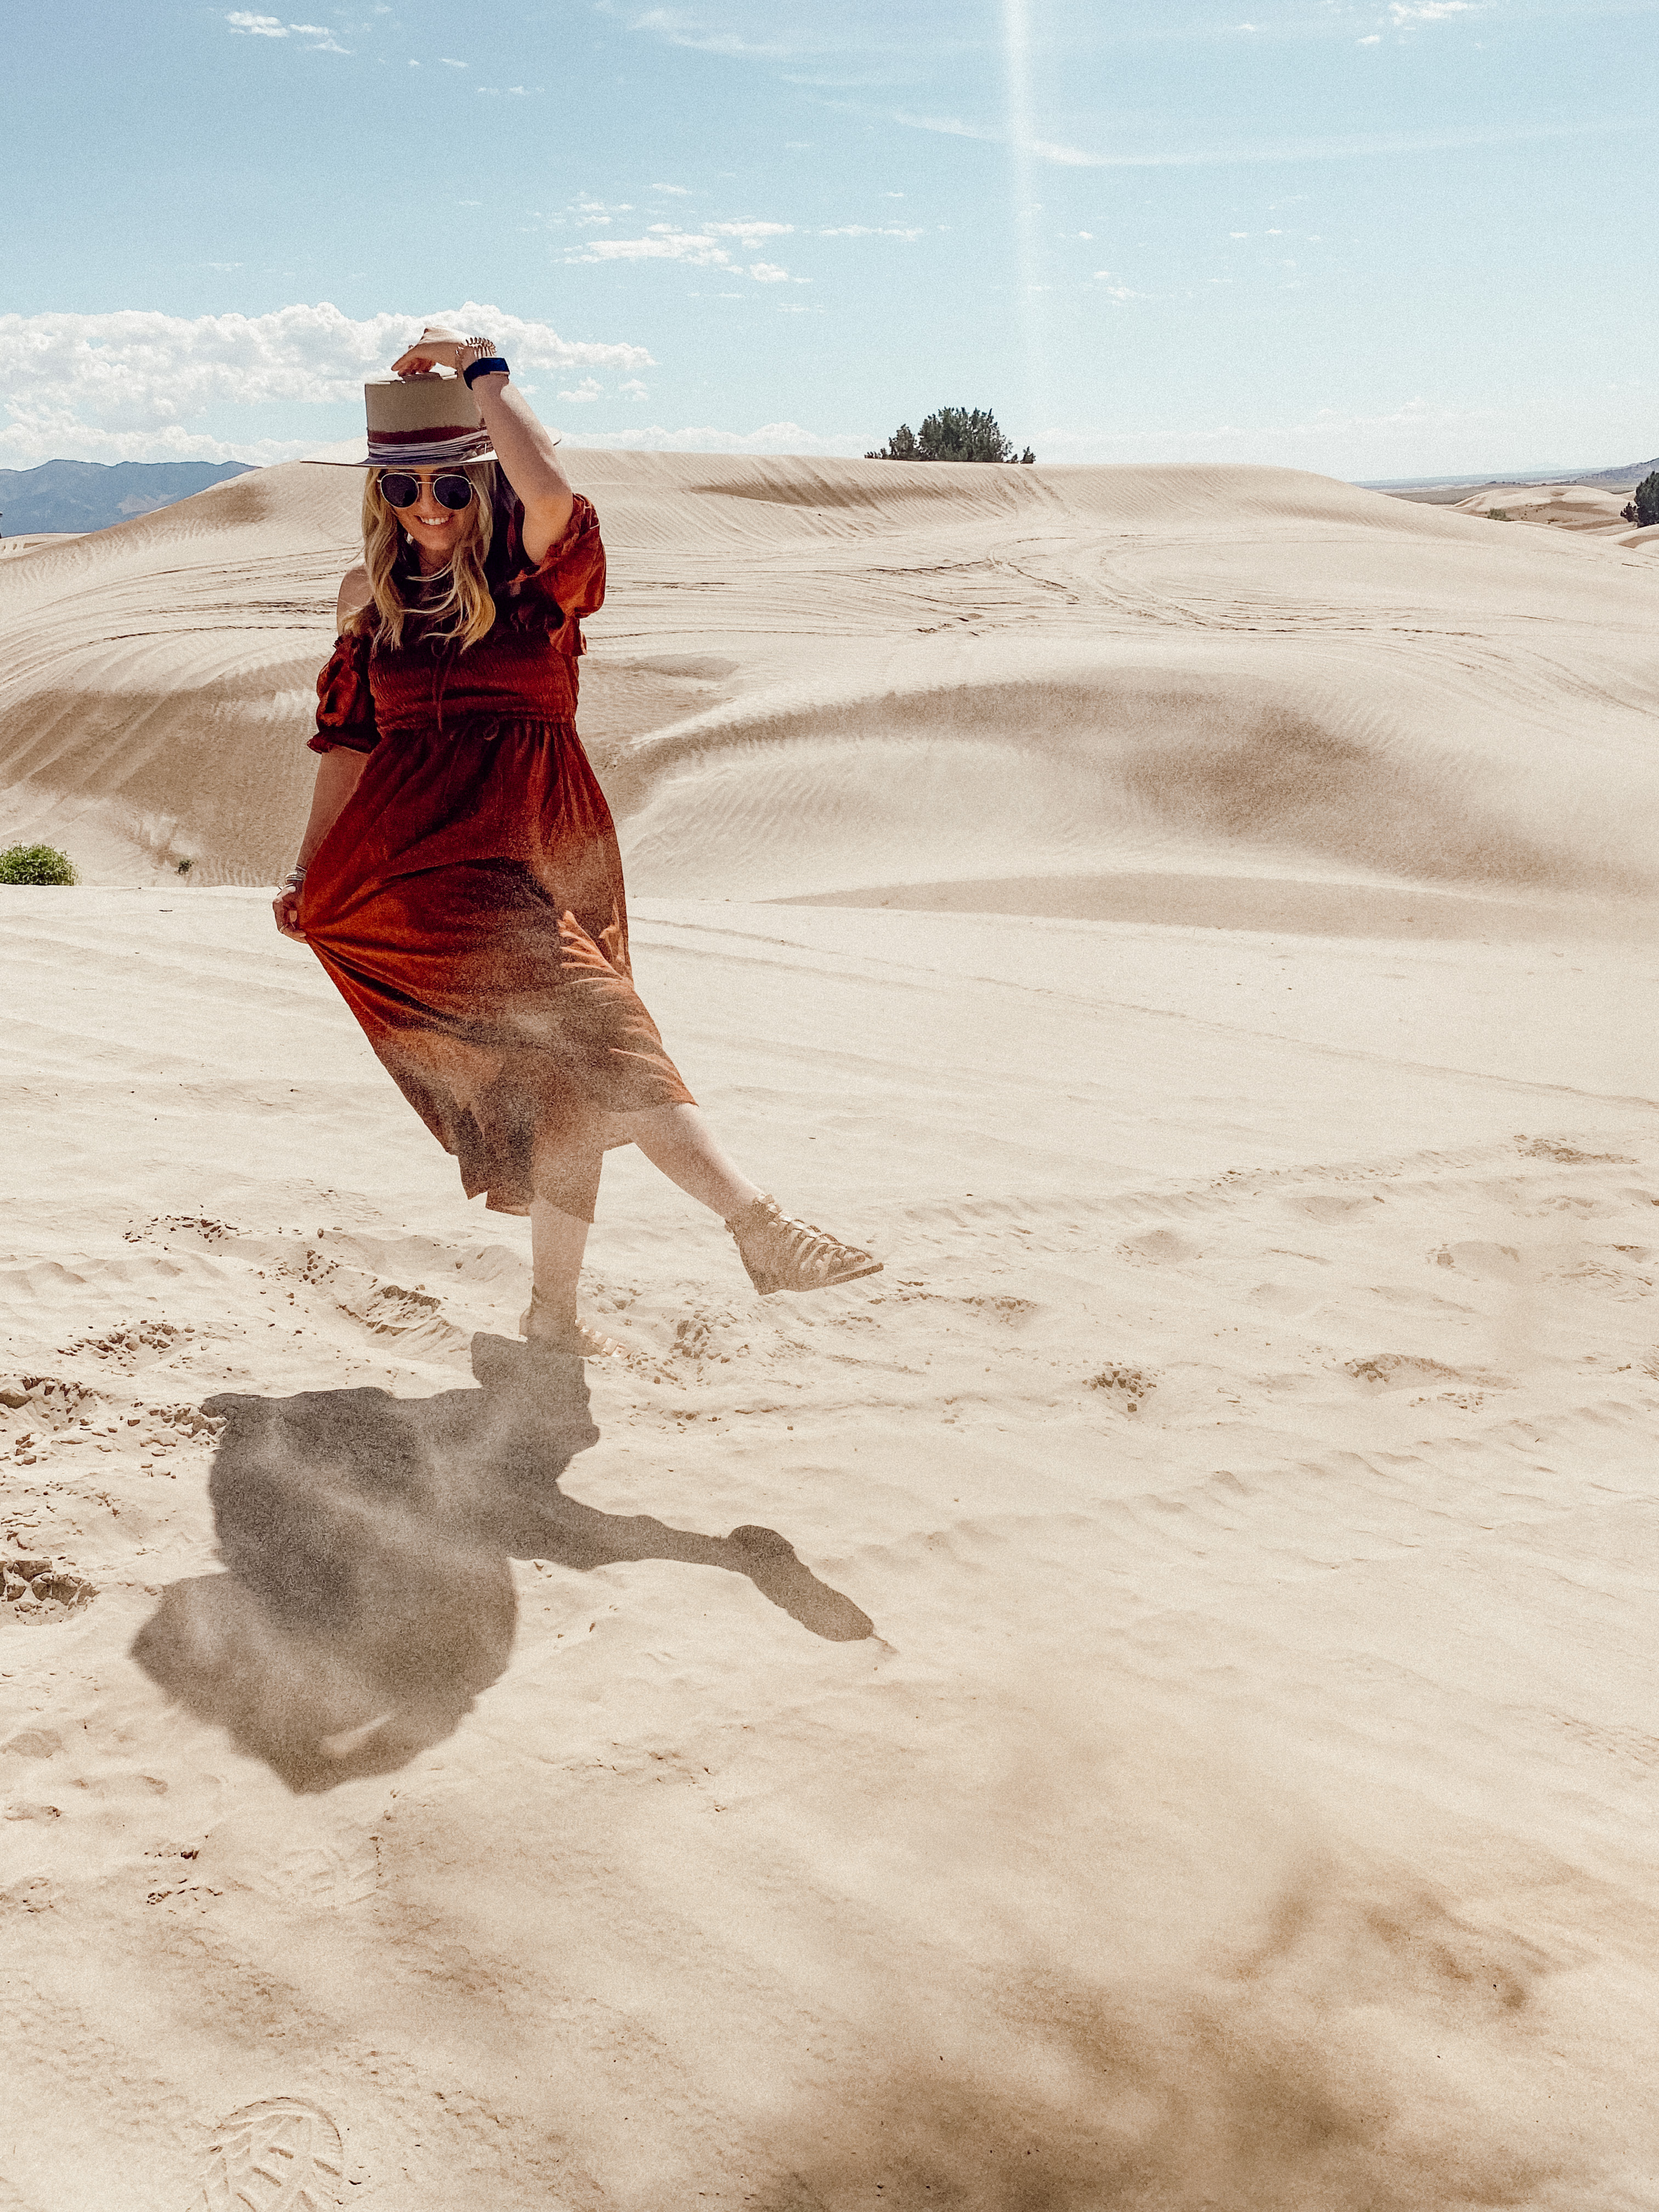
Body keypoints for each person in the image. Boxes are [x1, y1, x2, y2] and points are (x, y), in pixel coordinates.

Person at [274, 324, 880, 1357]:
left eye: (452, 487)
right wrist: (308, 863)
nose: (427, 507)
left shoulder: (536, 583)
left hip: (547, 851)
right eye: (402, 489)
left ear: (484, 485)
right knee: (611, 1036)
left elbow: (551, 487)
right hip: (427, 863)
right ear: (377, 496)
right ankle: (757, 1224)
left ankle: (551, 1322)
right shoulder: (366, 601)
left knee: (563, 1091)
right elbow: (346, 745)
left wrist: (484, 372)